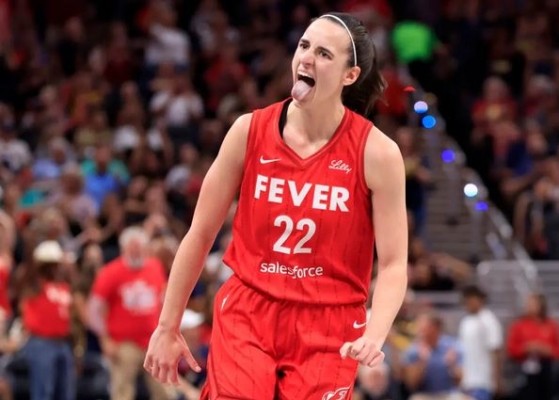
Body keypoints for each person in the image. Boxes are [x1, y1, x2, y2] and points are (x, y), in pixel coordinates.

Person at [144, 11, 408, 399]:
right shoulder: (248, 130)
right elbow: (199, 235)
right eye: (303, 46)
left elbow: (393, 263)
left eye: (323, 54)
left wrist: (376, 331)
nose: (306, 59)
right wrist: (168, 326)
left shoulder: (378, 154)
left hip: (330, 322)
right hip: (250, 308)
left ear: (349, 76)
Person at [458, 285, 503, 400]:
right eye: (467, 300)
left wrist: (497, 380)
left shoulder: (489, 321)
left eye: (471, 299)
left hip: (483, 381)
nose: (469, 303)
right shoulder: (465, 322)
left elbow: (495, 351)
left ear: (480, 299)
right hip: (466, 381)